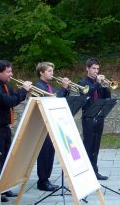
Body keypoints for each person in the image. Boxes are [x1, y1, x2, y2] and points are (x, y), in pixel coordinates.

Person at [0, 60, 32, 202]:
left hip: (5, 127)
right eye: (8, 72)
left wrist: (24, 93)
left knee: (6, 159)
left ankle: (3, 188)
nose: (11, 75)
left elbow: (14, 98)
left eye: (11, 71)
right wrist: (23, 90)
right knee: (0, 159)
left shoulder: (6, 85)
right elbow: (7, 101)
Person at [35, 62, 71, 191]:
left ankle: (46, 179)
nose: (52, 73)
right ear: (41, 72)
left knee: (50, 152)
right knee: (44, 154)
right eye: (49, 71)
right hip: (43, 126)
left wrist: (66, 89)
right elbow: (52, 101)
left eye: (52, 71)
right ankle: (42, 181)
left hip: (51, 124)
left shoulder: (48, 86)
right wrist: (63, 88)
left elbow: (60, 98)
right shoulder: (39, 86)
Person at [78, 58, 111, 180]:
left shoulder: (98, 83)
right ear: (87, 68)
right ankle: (85, 172)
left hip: (99, 116)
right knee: (88, 145)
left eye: (97, 68)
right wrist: (97, 83)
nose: (96, 71)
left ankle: (94, 170)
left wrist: (105, 86)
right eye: (93, 68)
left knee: (96, 145)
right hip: (88, 117)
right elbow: (86, 93)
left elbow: (107, 97)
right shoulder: (82, 83)